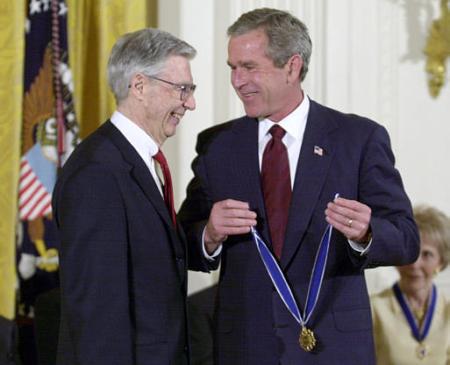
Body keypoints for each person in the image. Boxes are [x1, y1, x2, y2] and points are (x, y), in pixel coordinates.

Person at [178, 8, 420, 365]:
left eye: (249, 67)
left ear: (292, 67)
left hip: (333, 348)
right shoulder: (218, 146)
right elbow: (183, 241)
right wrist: (209, 235)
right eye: (232, 68)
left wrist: (367, 233)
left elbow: (406, 240)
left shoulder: (358, 139)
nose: (237, 81)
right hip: (245, 346)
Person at [52, 28, 199, 365]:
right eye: (182, 89)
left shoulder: (134, 162)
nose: (190, 103)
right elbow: (97, 314)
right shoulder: (97, 174)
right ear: (139, 86)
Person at [371, 205, 450, 364]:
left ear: (441, 261)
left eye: (427, 254)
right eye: (410, 252)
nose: (414, 265)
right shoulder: (373, 308)